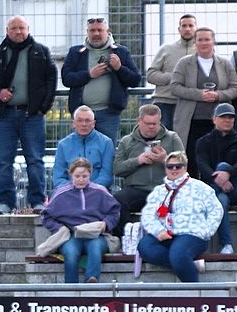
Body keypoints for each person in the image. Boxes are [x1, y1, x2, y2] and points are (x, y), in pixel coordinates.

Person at [0, 15, 57, 214]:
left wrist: (44, 107)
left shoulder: (41, 51)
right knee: (4, 161)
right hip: (4, 116)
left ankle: (38, 202)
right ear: (7, 31)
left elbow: (52, 78)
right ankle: (5, 204)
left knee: (35, 160)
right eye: (14, 28)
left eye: (21, 28)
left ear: (28, 29)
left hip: (33, 116)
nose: (18, 31)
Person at [138, 151, 222, 282]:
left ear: (185, 167)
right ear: (165, 169)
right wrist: (158, 231)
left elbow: (216, 210)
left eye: (178, 166)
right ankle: (187, 265)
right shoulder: (159, 191)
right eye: (170, 166)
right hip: (166, 234)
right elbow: (147, 215)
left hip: (192, 234)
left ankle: (194, 290)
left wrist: (206, 231)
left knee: (178, 253)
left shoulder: (200, 187)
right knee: (145, 247)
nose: (174, 169)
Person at [170, 27, 237, 178]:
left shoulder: (225, 63)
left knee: (216, 159)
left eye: (207, 39)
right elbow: (174, 87)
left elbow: (235, 88)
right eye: (200, 40)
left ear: (214, 42)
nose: (203, 43)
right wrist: (199, 95)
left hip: (217, 123)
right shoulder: (184, 63)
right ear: (195, 43)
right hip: (191, 122)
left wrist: (218, 95)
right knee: (192, 159)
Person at [60, 16, 141, 145]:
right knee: (81, 150)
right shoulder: (76, 52)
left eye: (100, 30)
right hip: (82, 114)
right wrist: (89, 74)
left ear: (107, 32)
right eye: (92, 30)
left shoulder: (121, 52)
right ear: (87, 32)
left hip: (109, 114)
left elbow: (135, 80)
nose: (96, 34)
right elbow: (67, 79)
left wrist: (119, 68)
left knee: (107, 150)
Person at [40, 158, 120, 283]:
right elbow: (46, 215)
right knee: (71, 253)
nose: (81, 179)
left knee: (95, 249)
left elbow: (115, 211)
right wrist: (60, 228)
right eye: (77, 176)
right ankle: (71, 288)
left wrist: (106, 224)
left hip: (96, 234)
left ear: (90, 174)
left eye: (84, 176)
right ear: (71, 174)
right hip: (71, 236)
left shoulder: (100, 191)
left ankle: (91, 280)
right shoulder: (61, 193)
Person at [112, 104, 184, 235]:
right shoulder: (127, 141)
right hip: (137, 189)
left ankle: (174, 238)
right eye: (148, 123)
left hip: (165, 188)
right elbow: (117, 169)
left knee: (182, 201)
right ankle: (125, 238)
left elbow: (183, 166)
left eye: (155, 123)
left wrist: (165, 160)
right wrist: (138, 161)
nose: (151, 126)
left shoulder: (172, 138)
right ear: (139, 121)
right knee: (117, 201)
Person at [195, 104, 237, 254]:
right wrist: (217, 178)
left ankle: (217, 243)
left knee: (223, 166)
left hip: (236, 188)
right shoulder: (203, 142)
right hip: (215, 190)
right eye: (223, 117)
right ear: (214, 119)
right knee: (221, 201)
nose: (227, 120)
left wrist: (228, 173)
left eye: (230, 117)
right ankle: (226, 244)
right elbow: (202, 165)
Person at [146, 14, 197, 130]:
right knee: (163, 138)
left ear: (196, 28)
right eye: (184, 26)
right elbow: (150, 75)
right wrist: (173, 77)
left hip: (191, 103)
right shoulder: (166, 49)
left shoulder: (202, 51)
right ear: (179, 29)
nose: (187, 29)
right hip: (165, 102)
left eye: (190, 26)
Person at [52, 105, 114, 189]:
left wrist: (89, 189)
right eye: (80, 120)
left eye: (87, 121)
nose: (83, 124)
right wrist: (73, 188)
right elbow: (58, 177)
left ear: (93, 123)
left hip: (97, 191)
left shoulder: (106, 143)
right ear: (74, 123)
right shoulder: (63, 145)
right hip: (70, 192)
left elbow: (106, 176)